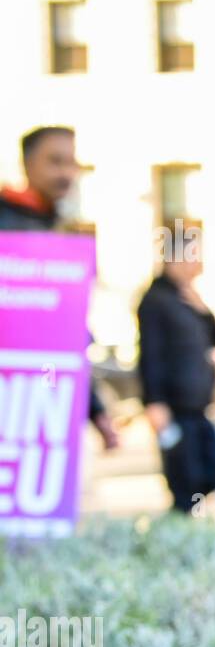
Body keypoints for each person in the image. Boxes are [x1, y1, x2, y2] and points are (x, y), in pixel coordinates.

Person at [0, 125, 118, 451]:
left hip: (45, 398)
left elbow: (63, 334)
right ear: (27, 164)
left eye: (72, 163)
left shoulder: (59, 232)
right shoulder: (9, 225)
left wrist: (95, 408)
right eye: (55, 161)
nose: (67, 173)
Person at [136, 224, 215, 512]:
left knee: (213, 473)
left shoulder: (188, 299)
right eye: (193, 256)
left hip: (199, 407)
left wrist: (204, 311)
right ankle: (183, 535)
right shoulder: (155, 301)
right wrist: (155, 401)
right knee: (186, 483)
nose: (198, 265)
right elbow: (150, 355)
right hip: (175, 409)